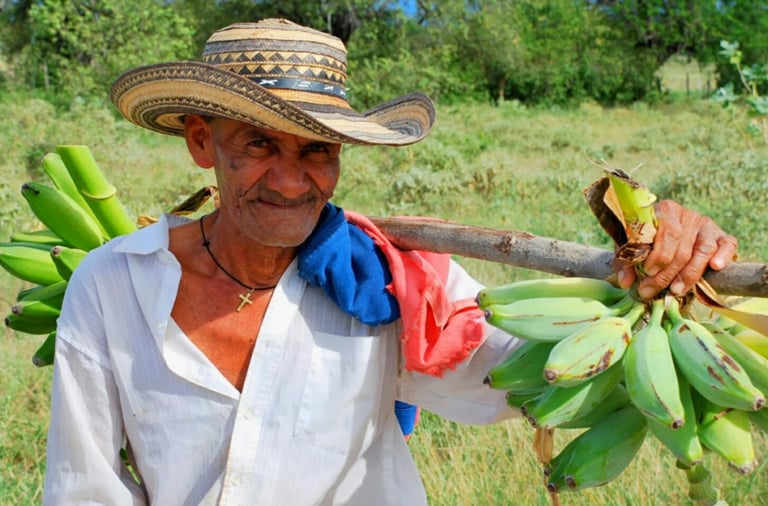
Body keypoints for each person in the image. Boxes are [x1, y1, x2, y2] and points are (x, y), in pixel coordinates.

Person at [42, 18, 738, 505]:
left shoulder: (388, 281)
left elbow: (514, 376)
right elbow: (84, 488)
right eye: (258, 145)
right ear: (201, 141)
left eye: (317, 150)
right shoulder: (113, 286)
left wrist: (659, 257)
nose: (291, 182)